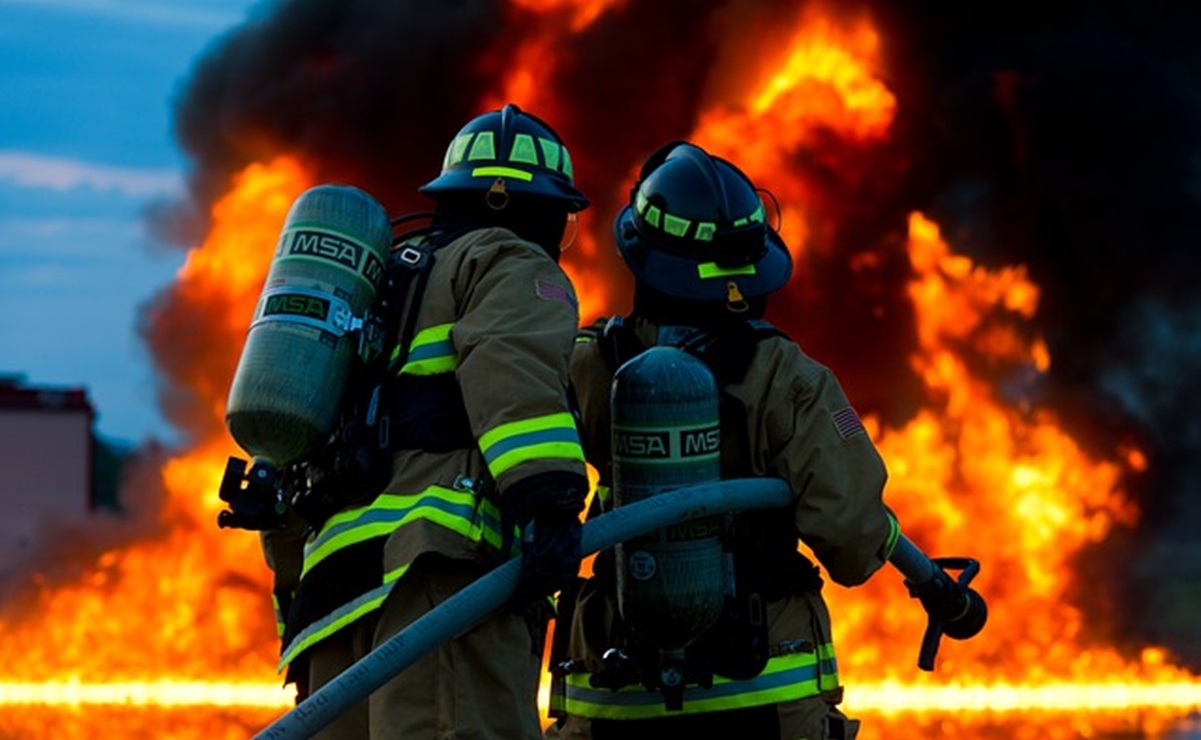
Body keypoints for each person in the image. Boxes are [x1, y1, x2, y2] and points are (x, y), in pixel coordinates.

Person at [544, 141, 902, 740]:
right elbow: (854, 540)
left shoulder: (585, 364)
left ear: (641, 256)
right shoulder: (786, 377)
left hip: (614, 703)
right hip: (762, 693)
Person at [260, 104, 592, 740]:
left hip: (330, 603)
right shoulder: (508, 263)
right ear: (545, 212)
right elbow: (510, 372)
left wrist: (292, 587)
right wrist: (548, 503)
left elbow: (295, 442)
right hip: (438, 585)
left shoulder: (374, 284)